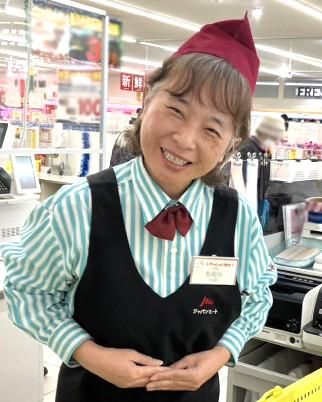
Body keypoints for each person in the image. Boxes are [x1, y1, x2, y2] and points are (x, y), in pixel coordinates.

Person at [1, 15, 276, 402]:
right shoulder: (79, 207)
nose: (185, 140)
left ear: (232, 143)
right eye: (176, 110)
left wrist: (220, 355)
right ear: (146, 99)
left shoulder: (237, 220)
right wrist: (88, 353)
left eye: (212, 129)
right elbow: (27, 290)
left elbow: (258, 295)